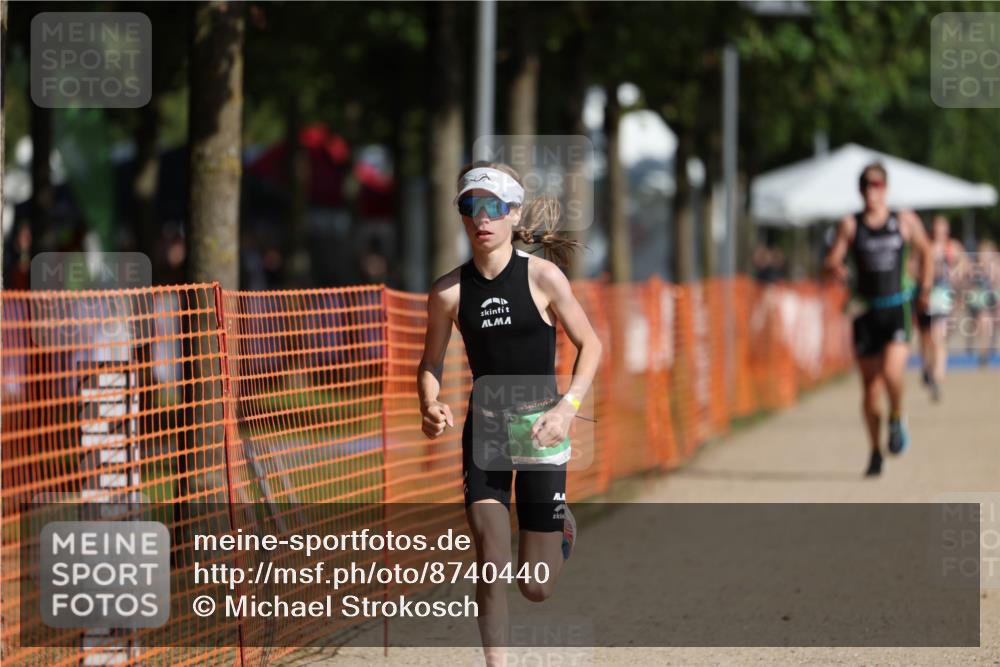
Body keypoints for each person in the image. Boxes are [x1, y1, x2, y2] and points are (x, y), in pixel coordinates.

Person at [417, 161, 602, 666]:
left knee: (535, 587)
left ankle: (560, 528)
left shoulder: (543, 277)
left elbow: (591, 345)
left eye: (494, 207)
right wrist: (429, 402)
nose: (482, 218)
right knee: (489, 557)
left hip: (543, 427)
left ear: (513, 212)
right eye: (470, 207)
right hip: (487, 432)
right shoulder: (448, 292)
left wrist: (568, 409)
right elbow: (431, 361)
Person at [824, 162, 932, 477]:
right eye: (867, 186)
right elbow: (832, 258)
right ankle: (874, 451)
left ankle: (897, 416)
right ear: (861, 191)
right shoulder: (850, 224)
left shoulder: (904, 220)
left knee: (891, 371)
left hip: (896, 307)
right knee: (870, 388)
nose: (873, 191)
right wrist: (834, 267)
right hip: (865, 311)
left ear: (886, 189)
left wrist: (924, 287)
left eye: (878, 185)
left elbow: (925, 251)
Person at [913, 215, 967, 401]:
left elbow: (966, 268)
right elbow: (912, 267)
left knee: (939, 336)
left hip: (944, 296)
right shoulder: (925, 246)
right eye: (936, 227)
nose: (939, 231)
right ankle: (927, 368)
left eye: (942, 227)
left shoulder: (954, 247)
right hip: (925, 296)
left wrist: (957, 278)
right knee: (926, 338)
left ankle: (937, 377)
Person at [964, 239, 999, 366]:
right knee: (981, 324)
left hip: (990, 300)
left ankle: (984, 352)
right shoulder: (974, 266)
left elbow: (996, 283)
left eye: (989, 254)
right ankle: (978, 347)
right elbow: (967, 283)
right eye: (984, 254)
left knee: (987, 325)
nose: (986, 257)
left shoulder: (995, 266)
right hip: (977, 301)